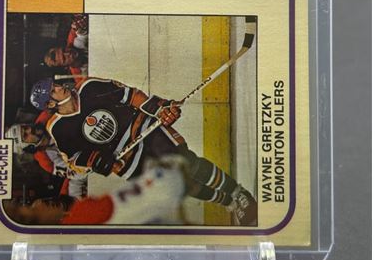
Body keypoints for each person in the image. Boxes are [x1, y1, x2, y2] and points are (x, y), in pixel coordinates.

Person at [29, 77, 257, 225]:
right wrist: (97, 160)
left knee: (189, 164)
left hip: (145, 130)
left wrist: (158, 110)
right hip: (127, 161)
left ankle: (238, 193)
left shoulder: (89, 87)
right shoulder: (57, 128)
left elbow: (130, 95)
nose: (58, 86)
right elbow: (75, 159)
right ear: (50, 104)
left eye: (55, 84)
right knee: (179, 183)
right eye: (53, 90)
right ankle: (228, 203)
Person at [3, 156, 187, 225]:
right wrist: (161, 173)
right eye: (32, 210)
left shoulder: (73, 205)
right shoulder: (81, 216)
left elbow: (78, 175)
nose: (40, 205)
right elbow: (162, 189)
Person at [4, 123, 88, 199]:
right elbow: (79, 172)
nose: (30, 130)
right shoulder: (47, 160)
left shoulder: (48, 120)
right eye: (25, 135)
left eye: (25, 128)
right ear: (28, 147)